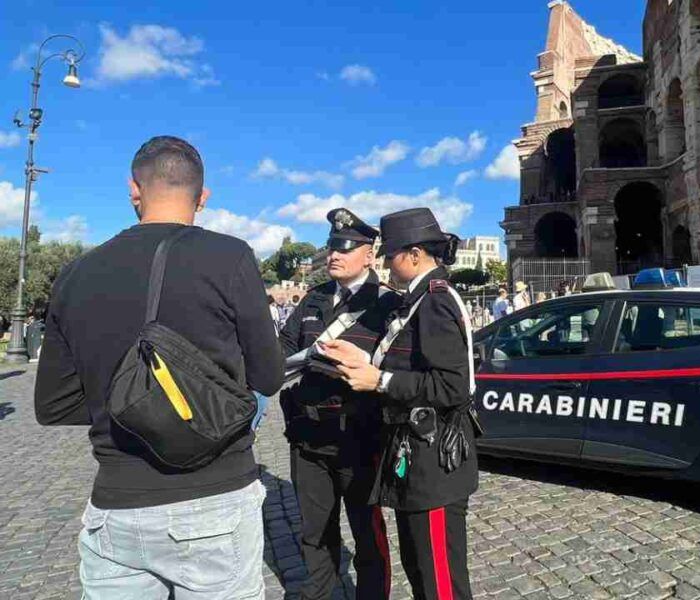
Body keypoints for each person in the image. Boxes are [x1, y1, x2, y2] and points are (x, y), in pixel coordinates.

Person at [34, 135, 283, 599]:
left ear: (134, 189)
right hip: (215, 496)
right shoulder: (229, 256)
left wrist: (133, 407)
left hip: (116, 504)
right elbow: (267, 378)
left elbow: (53, 405)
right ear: (203, 197)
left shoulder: (75, 273)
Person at [323, 207, 479, 600]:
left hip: (436, 461)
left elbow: (453, 386)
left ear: (414, 255)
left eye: (390, 254)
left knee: (440, 582)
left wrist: (380, 380)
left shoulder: (435, 301)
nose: (384, 262)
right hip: (417, 455)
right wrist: (363, 362)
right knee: (420, 568)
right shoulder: (417, 299)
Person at [277, 208, 397, 600]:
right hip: (309, 438)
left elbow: (398, 369)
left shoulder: (387, 305)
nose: (334, 254)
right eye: (332, 246)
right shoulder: (312, 301)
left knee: (367, 533)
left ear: (369, 253)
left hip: (359, 439)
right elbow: (282, 351)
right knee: (314, 533)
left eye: (346, 247)